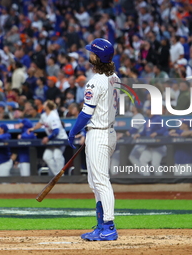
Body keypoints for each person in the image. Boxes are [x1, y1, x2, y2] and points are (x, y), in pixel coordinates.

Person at [67, 38, 119, 241]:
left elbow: (86, 114)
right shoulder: (115, 77)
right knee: (95, 182)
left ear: (97, 57)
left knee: (101, 181)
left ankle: (109, 226)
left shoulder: (95, 81)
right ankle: (101, 225)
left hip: (98, 132)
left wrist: (73, 132)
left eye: (92, 52)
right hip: (106, 131)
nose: (89, 54)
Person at [27, 100, 68, 176]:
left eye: (45, 104)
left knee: (57, 156)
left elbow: (56, 131)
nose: (43, 105)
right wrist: (33, 129)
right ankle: (57, 175)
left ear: (48, 107)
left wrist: (48, 138)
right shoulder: (44, 115)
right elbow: (40, 123)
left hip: (60, 138)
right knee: (46, 157)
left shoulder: (53, 116)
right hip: (52, 139)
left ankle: (61, 176)